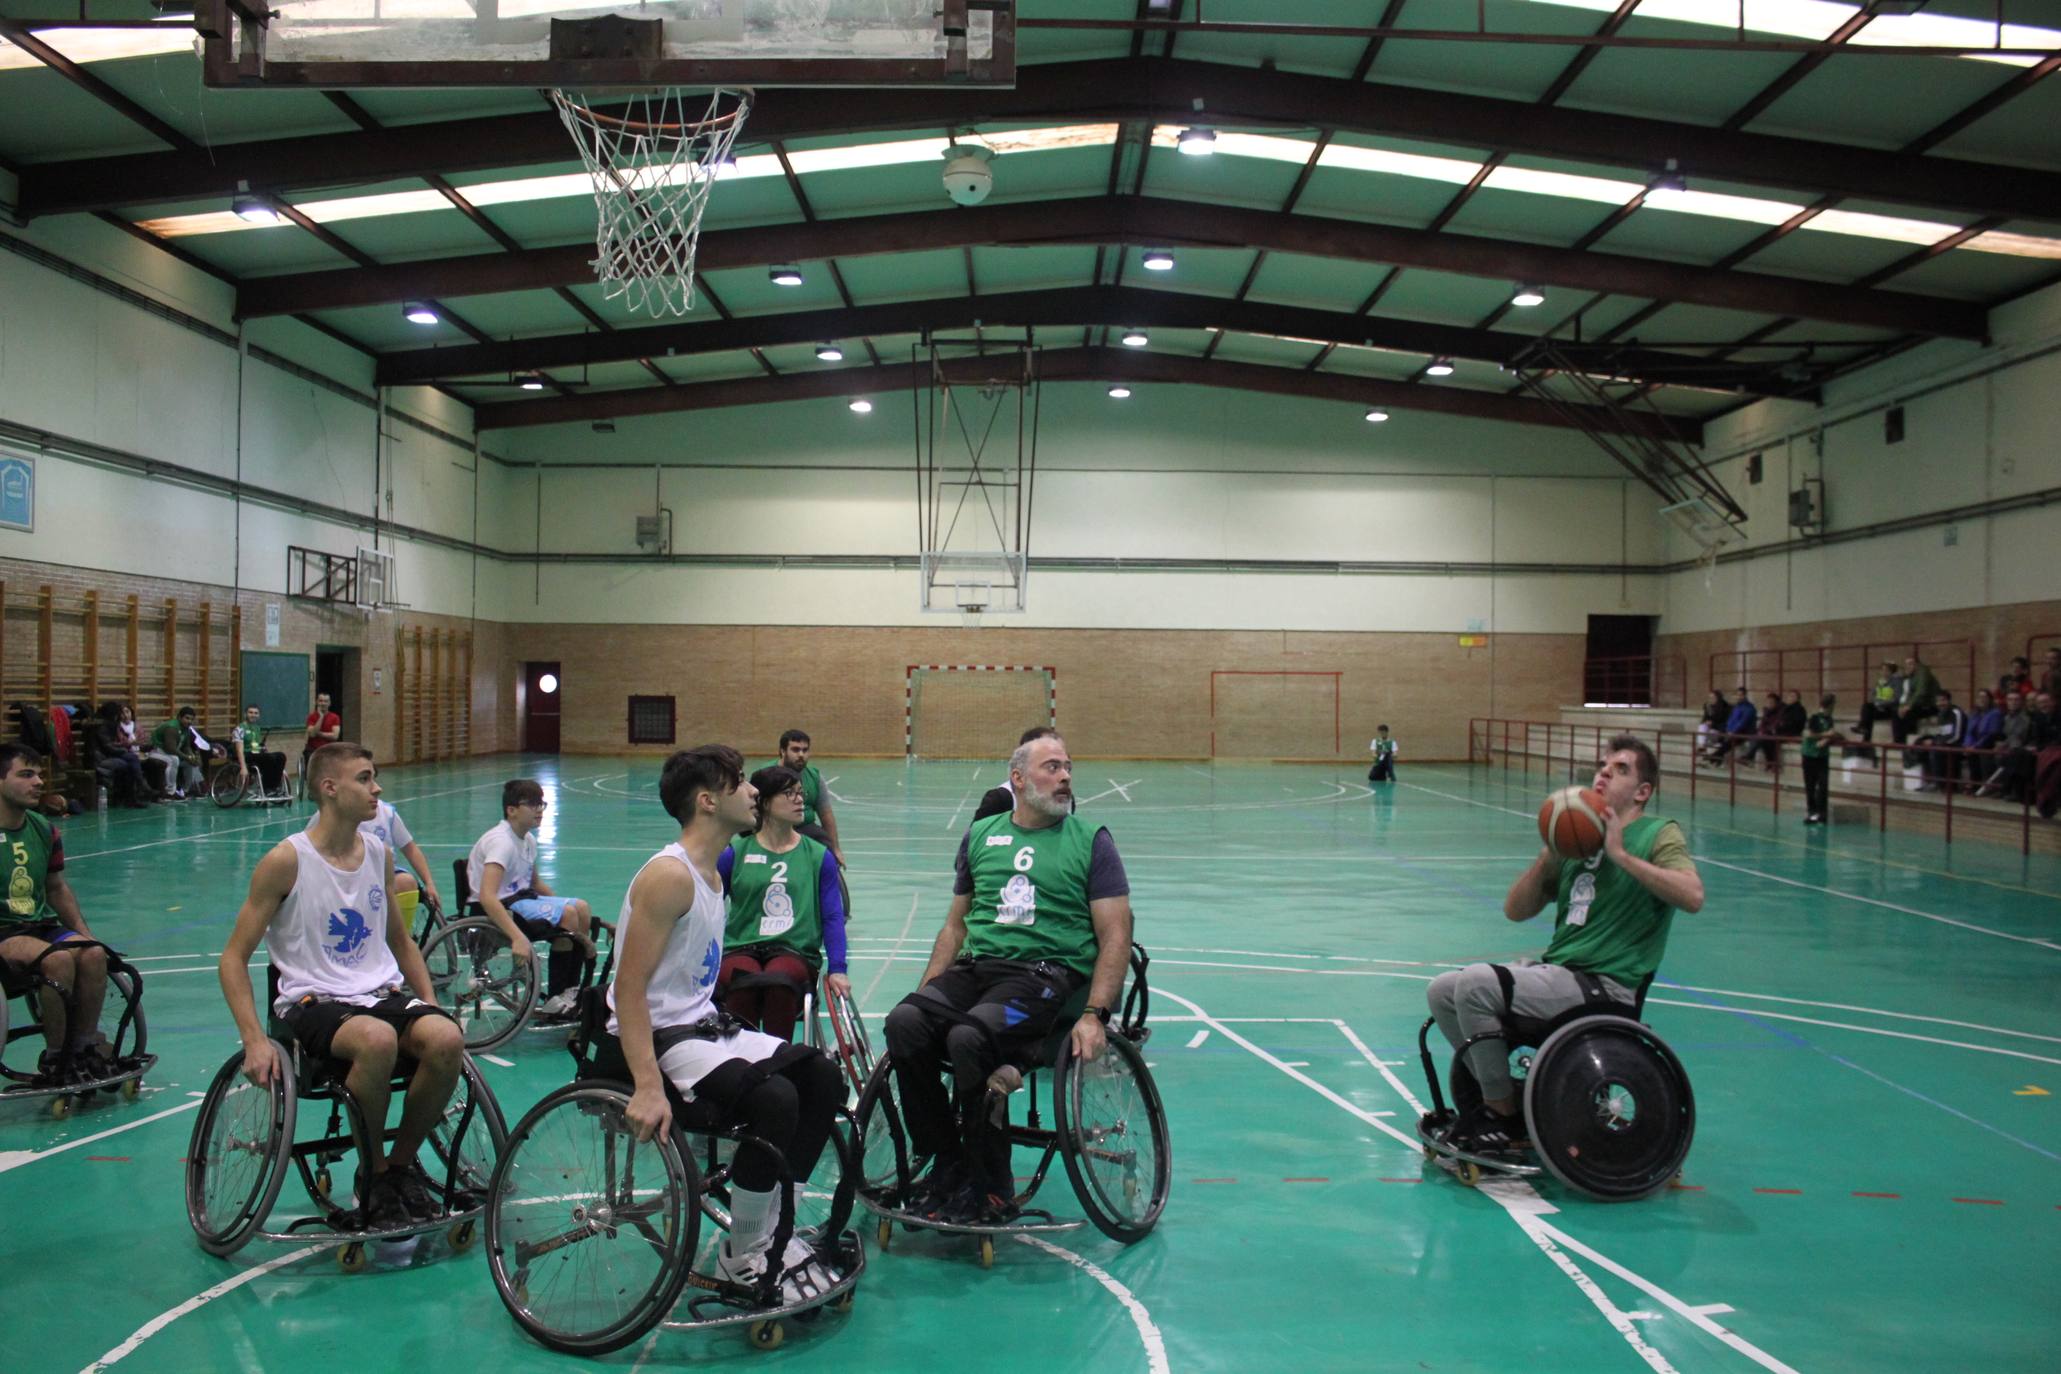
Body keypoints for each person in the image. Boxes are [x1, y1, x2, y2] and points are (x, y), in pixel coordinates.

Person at [612, 745, 845, 1301]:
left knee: (820, 1077)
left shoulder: (713, 874)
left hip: (703, 1023)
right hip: (661, 1034)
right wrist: (646, 1085)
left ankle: (769, 1226)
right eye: (741, 782)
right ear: (707, 801)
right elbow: (627, 988)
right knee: (776, 1100)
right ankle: (742, 1250)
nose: (752, 792)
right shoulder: (670, 876)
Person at [884, 733, 1134, 1225]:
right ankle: (948, 1158)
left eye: (1067, 768)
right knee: (905, 1022)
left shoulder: (1092, 840)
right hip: (977, 969)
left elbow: (1116, 935)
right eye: (1052, 767)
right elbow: (955, 926)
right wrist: (926, 990)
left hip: (1042, 976)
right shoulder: (981, 836)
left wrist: (1095, 1014)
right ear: (1019, 779)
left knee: (968, 1037)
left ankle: (991, 1182)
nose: (1064, 777)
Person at [216, 744, 465, 1231]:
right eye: (365, 779)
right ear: (330, 788)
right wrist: (252, 1040)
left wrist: (431, 1006)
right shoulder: (286, 861)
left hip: (379, 993)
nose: (378, 789)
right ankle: (370, 1173)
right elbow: (233, 959)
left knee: (447, 1038)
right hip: (313, 1001)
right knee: (376, 1039)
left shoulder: (378, 853)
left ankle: (398, 1167)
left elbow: (400, 941)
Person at [1426, 735, 1703, 1152]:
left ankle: (1501, 1116)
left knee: (1477, 984)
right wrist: (1548, 854)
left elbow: (1692, 896)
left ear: (1643, 792)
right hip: (1561, 976)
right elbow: (1515, 911)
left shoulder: (1657, 833)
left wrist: (1621, 855)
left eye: (1621, 768)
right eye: (1604, 765)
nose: (1605, 771)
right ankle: (1507, 1099)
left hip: (1605, 985)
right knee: (1443, 990)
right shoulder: (1577, 840)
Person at [0, 744, 111, 1083]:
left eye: (39, 774)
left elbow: (56, 888)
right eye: (26, 774)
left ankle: (84, 1046)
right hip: (4, 932)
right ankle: (55, 1056)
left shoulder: (43, 829)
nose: (38, 782)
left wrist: (84, 932)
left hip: (38, 925)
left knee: (93, 954)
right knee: (58, 960)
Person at [717, 765, 849, 1041]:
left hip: (794, 950)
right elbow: (709, 907)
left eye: (800, 793)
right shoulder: (735, 853)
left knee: (779, 980)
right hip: (742, 946)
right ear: (764, 802)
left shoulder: (818, 856)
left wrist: (838, 969)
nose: (799, 799)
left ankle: (779, 1059)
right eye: (789, 793)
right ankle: (742, 1062)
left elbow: (833, 917)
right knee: (742, 979)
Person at [466, 780, 597, 1019]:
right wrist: (517, 937)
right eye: (533, 804)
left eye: (542, 804)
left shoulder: (527, 840)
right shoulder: (501, 842)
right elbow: (486, 895)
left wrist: (568, 910)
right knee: (568, 914)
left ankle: (571, 990)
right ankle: (556, 998)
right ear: (511, 810)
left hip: (520, 899)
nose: (539, 809)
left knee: (580, 908)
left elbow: (535, 884)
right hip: (497, 908)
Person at [761, 730, 844, 863]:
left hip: (806, 828)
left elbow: (826, 814)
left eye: (805, 750)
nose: (801, 755)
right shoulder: (764, 775)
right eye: (795, 750)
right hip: (773, 828)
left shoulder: (815, 777)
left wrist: (836, 849)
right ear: (782, 751)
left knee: (829, 856)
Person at [972, 726, 1071, 823]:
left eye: (1067, 767)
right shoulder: (1000, 799)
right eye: (1052, 766)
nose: (1066, 776)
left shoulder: (1064, 798)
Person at [1977, 691, 2033, 799]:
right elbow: (2003, 734)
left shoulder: (2025, 718)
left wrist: (2003, 744)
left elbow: (2018, 736)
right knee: (1985, 754)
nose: (2013, 702)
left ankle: (2004, 789)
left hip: (2017, 748)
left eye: (2016, 700)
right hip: (2005, 747)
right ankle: (1992, 787)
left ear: (2021, 702)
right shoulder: (2006, 717)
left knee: (2005, 758)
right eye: (2010, 700)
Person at [231, 704, 289, 798]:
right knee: (267, 758)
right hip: (247, 755)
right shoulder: (240, 729)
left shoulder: (257, 728)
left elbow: (259, 746)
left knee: (280, 756)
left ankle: (274, 787)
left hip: (258, 754)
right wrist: (243, 767)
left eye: (256, 713)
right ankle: (267, 788)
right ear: (245, 714)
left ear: (259, 715)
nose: (253, 715)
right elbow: (239, 749)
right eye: (250, 712)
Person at [1915, 689, 1967, 791]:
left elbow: (1957, 736)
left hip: (1956, 745)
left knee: (1936, 751)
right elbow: (1941, 733)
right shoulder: (1941, 715)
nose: (1940, 703)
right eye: (1938, 701)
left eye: (1943, 700)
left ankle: (1939, 783)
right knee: (1921, 747)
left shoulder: (1956, 713)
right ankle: (1929, 781)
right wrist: (1932, 741)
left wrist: (1937, 743)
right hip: (1943, 744)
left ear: (1949, 701)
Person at [1800, 694, 1838, 825]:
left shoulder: (1830, 719)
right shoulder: (1814, 718)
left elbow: (1833, 733)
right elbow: (1808, 734)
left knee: (1823, 786)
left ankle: (1822, 814)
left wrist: (1827, 739)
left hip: (1822, 756)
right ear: (1830, 705)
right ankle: (1812, 813)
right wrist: (1825, 735)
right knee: (1810, 786)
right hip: (1809, 755)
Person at [1893, 654, 1939, 745]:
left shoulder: (1923, 673)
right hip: (1919, 704)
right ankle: (1899, 741)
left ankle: (1911, 739)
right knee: (1895, 711)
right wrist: (1902, 707)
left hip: (1930, 705)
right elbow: (1908, 694)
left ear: (1917, 665)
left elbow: (1921, 693)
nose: (1908, 667)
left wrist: (1908, 706)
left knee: (1910, 713)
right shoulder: (1911, 676)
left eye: (1911, 664)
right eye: (1906, 664)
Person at [1854, 661, 1902, 743]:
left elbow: (1896, 698)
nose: (1883, 672)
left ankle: (1863, 728)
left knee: (1869, 713)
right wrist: (1877, 704)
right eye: (1882, 670)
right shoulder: (1879, 682)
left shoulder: (1896, 682)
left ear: (1891, 672)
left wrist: (1881, 703)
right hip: (1879, 708)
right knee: (1867, 707)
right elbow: (1872, 696)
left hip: (1890, 709)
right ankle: (1864, 734)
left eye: (1886, 670)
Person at [305, 692, 342, 766]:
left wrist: (319, 733)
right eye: (321, 701)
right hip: (313, 751)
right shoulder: (311, 717)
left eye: (326, 701)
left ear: (329, 703)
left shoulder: (335, 717)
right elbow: (312, 734)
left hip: (329, 751)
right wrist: (321, 717)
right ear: (317, 702)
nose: (323, 703)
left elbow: (335, 736)